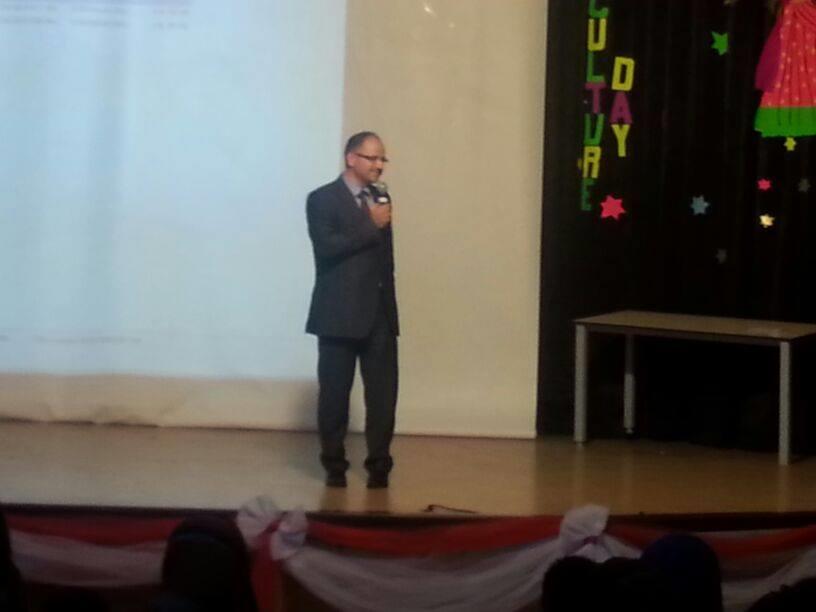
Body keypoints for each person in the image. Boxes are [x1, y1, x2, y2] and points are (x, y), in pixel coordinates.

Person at [305, 131, 399, 489]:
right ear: (351, 158)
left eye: (382, 159)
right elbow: (327, 248)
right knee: (334, 396)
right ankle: (334, 465)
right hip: (337, 314)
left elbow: (384, 260)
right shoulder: (322, 199)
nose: (379, 165)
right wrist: (370, 224)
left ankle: (379, 466)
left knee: (384, 397)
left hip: (379, 315)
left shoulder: (380, 197)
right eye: (372, 158)